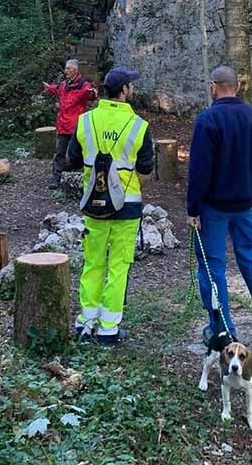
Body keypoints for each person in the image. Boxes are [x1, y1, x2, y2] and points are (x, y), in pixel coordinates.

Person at [187, 65, 252, 340]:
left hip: (214, 207)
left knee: (212, 265)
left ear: (213, 86)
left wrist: (193, 208)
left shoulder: (208, 120)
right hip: (244, 205)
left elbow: (199, 170)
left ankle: (222, 328)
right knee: (249, 256)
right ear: (237, 87)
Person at [67, 66, 153, 346]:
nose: (133, 89)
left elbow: (72, 159)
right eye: (131, 85)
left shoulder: (85, 121)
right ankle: (108, 330)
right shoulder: (139, 126)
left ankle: (85, 324)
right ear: (125, 90)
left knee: (92, 263)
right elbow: (146, 167)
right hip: (127, 207)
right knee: (118, 267)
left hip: (94, 203)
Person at [44, 58, 97, 189]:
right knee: (59, 153)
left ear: (75, 70)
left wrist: (93, 93)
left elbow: (90, 95)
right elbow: (56, 89)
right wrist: (48, 88)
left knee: (79, 152)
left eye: (68, 68)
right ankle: (56, 179)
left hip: (76, 127)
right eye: (66, 68)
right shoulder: (64, 84)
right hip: (63, 125)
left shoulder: (83, 85)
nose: (66, 71)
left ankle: (84, 178)